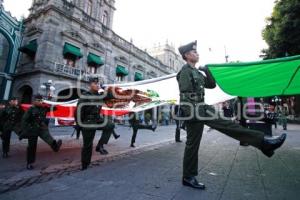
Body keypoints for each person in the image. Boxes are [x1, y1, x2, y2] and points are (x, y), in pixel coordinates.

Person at [177, 41, 287, 190]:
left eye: (197, 52)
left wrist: (207, 70)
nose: (197, 54)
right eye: (194, 52)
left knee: (192, 145)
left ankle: (188, 177)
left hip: (199, 109)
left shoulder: (196, 72)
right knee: (227, 126)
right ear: (187, 55)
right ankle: (264, 142)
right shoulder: (185, 71)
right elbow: (185, 95)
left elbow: (211, 84)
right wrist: (194, 113)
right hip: (195, 110)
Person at [77, 77, 115, 170]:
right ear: (90, 84)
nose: (97, 85)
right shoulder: (85, 96)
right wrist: (80, 125)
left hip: (98, 120)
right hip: (88, 122)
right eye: (95, 83)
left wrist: (105, 88)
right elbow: (78, 112)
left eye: (98, 83)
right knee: (88, 145)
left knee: (110, 125)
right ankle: (85, 165)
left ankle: (100, 145)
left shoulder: (100, 95)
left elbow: (111, 96)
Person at [20, 94, 62, 170]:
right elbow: (24, 120)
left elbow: (55, 108)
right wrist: (25, 130)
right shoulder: (31, 109)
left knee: (50, 140)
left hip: (42, 129)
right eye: (38, 100)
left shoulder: (44, 108)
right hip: (32, 130)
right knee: (32, 147)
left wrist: (49, 102)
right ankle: (30, 163)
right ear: (34, 101)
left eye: (40, 100)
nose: (39, 102)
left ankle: (56, 147)